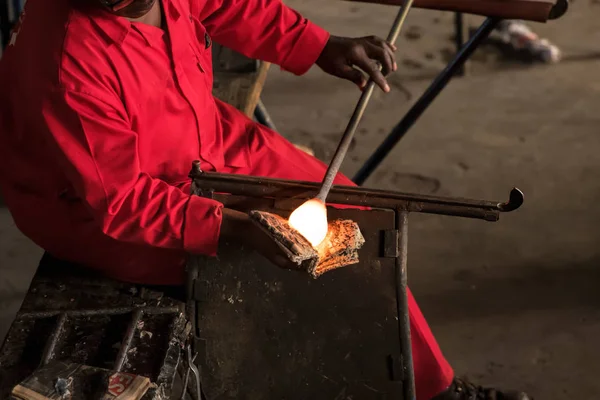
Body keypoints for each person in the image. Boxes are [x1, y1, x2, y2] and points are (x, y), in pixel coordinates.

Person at [0, 0, 529, 399]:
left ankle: (421, 381)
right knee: (326, 257)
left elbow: (231, 6)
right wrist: (234, 225)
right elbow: (122, 201)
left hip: (199, 137)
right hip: (106, 208)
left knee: (355, 214)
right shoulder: (67, 61)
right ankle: (422, 390)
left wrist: (319, 45)